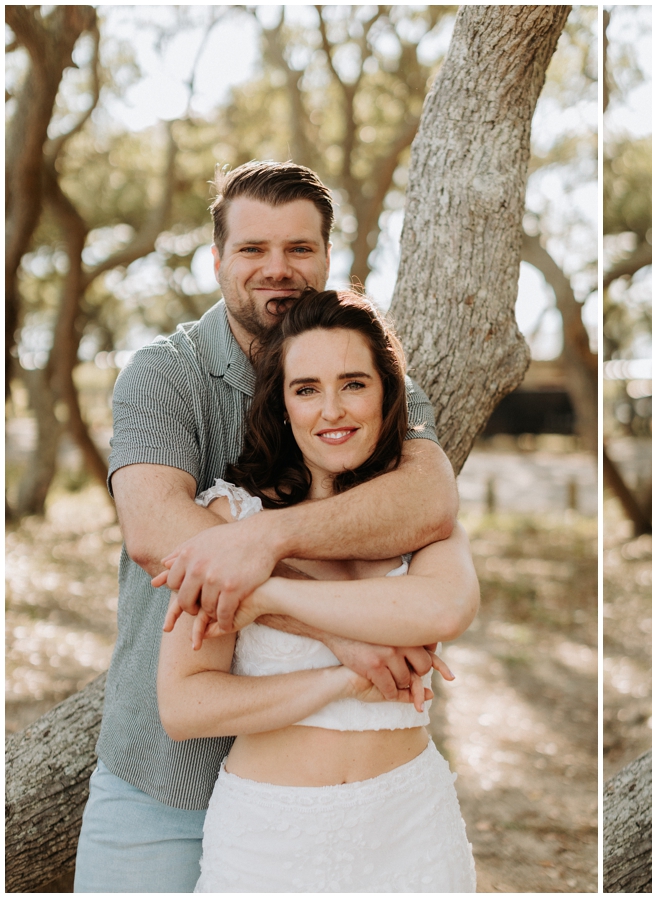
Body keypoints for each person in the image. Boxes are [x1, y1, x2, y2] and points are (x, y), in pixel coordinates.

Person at [75, 161, 459, 893]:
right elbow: (158, 531)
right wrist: (341, 629)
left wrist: (266, 538)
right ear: (218, 259)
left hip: (328, 787)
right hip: (166, 779)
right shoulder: (165, 374)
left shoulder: (373, 373)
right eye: (253, 250)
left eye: (299, 250)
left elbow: (428, 503)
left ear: (325, 257)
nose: (277, 270)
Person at [157, 288, 478, 891]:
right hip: (269, 834)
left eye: (354, 383)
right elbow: (184, 707)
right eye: (306, 389)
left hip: (412, 825)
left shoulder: (421, 518)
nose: (332, 410)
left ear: (387, 395)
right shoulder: (231, 519)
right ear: (282, 405)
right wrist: (343, 677)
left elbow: (445, 607)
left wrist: (270, 593)